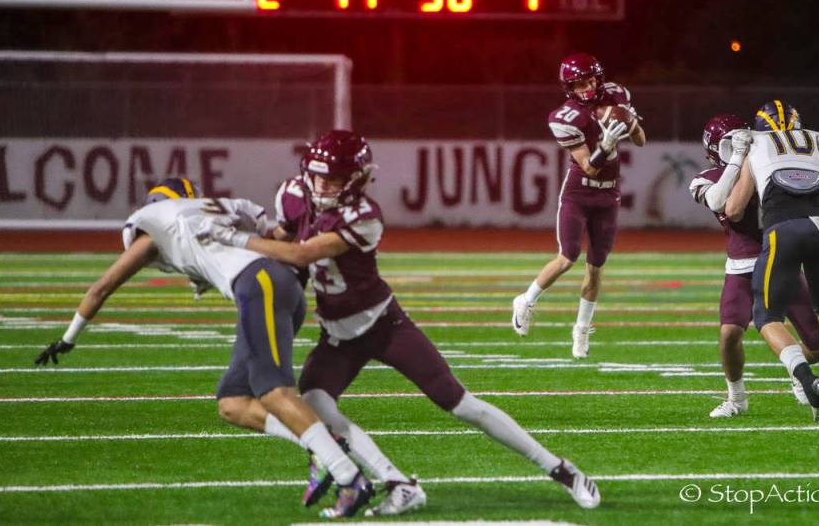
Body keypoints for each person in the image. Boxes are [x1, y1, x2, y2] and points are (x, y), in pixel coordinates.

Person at [200, 130, 601, 511]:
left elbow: (304, 254)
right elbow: (285, 240)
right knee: (315, 405)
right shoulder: (292, 193)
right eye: (319, 177)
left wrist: (232, 239)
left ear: (356, 180)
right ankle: (397, 484)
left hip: (383, 326)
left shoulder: (364, 215)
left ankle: (561, 469)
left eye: (335, 179)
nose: (323, 187)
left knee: (461, 404)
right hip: (336, 336)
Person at [33, 177, 375, 518]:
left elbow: (101, 288)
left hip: (260, 287)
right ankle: (321, 443)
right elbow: (280, 235)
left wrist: (68, 338)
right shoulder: (217, 208)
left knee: (274, 393)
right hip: (276, 287)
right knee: (233, 403)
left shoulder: (153, 222)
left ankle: (349, 476)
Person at [689, 114, 819, 417]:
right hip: (741, 265)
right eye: (728, 144)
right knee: (729, 335)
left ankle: (796, 369)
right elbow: (727, 208)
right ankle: (737, 399)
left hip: (780, 258)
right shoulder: (706, 178)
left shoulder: (769, 168)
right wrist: (739, 160)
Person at [512, 53, 646, 358]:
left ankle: (582, 330)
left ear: (599, 78)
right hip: (579, 193)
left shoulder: (618, 95)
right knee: (568, 256)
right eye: (577, 83)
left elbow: (640, 141)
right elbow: (589, 167)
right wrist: (607, 145)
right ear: (568, 87)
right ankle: (526, 300)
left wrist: (632, 121)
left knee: (596, 268)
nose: (585, 87)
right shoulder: (564, 118)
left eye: (589, 80)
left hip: (609, 194)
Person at [724, 100, 819, 422]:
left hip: (784, 230)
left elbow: (735, 208)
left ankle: (806, 380)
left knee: (766, 317)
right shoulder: (812, 143)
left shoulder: (758, 146)